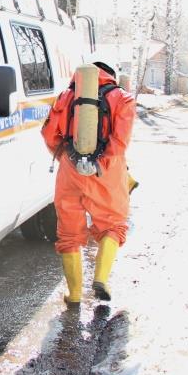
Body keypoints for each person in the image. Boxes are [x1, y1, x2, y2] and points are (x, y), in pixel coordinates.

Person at [40, 54, 136, 304]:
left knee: (69, 233)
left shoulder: (65, 97)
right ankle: (101, 279)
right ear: (110, 75)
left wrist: (67, 157)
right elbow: (120, 142)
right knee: (113, 224)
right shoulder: (123, 99)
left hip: (70, 171)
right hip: (107, 171)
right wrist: (100, 161)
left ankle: (73, 295)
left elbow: (49, 134)